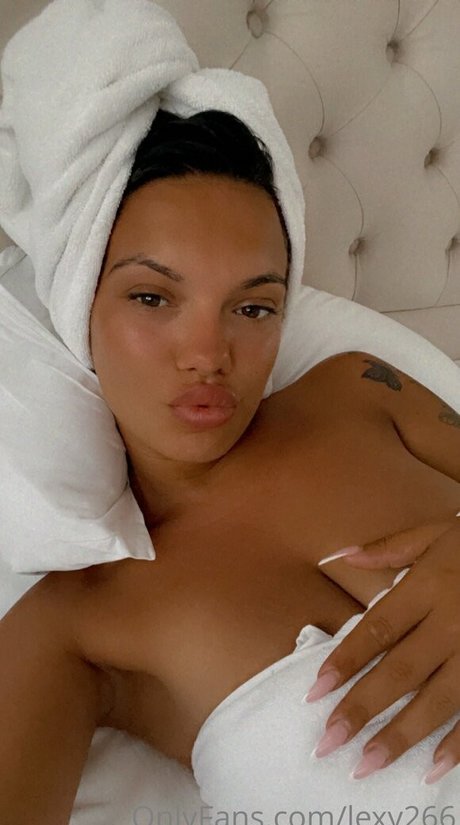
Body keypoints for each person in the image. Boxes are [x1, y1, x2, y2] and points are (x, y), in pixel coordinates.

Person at [1, 108, 459, 823]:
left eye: (252, 308)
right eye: (152, 297)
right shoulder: (76, 621)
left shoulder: (361, 391)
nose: (208, 354)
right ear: (79, 302)